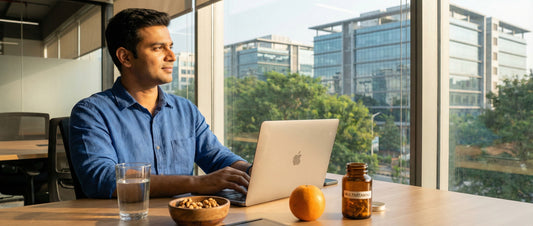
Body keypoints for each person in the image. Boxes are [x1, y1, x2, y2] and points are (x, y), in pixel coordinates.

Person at [69, 8, 251, 199]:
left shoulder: (185, 110)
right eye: (158, 48)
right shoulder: (91, 112)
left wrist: (251, 170)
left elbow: (217, 158)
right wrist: (198, 183)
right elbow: (102, 179)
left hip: (184, 217)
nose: (172, 56)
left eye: (170, 46)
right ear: (126, 57)